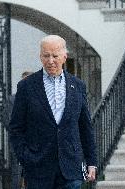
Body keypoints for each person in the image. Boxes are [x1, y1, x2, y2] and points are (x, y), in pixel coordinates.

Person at [8, 35, 97, 189]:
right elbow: (16, 128)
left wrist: (91, 162)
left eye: (55, 56)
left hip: (71, 168)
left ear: (64, 57)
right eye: (46, 55)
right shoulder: (26, 87)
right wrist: (26, 157)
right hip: (38, 168)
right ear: (40, 56)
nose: (50, 61)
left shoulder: (78, 86)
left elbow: (85, 127)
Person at [6, 71, 33, 189]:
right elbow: (9, 122)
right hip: (19, 143)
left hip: (36, 144)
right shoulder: (12, 100)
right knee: (17, 173)